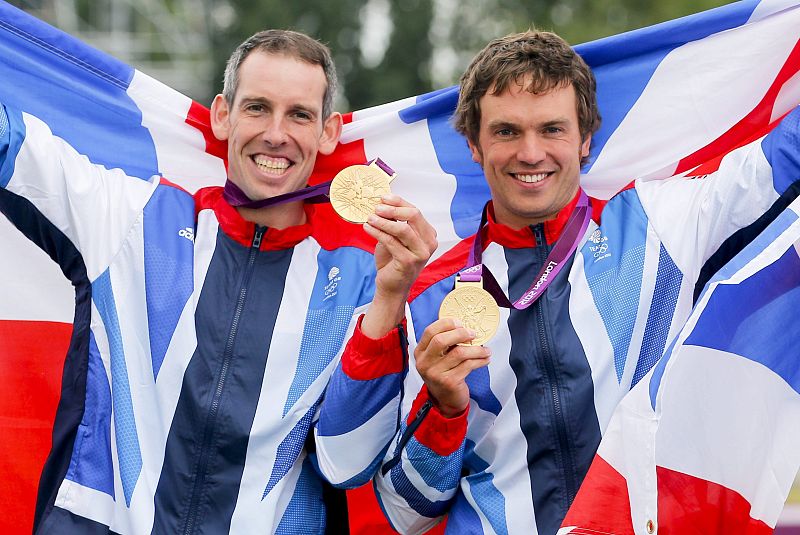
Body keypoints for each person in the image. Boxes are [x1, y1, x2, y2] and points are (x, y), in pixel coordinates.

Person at [0, 30, 435, 533]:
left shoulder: (362, 281)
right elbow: (14, 144)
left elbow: (347, 463)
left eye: (299, 114)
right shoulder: (131, 219)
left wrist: (388, 299)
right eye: (257, 108)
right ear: (222, 116)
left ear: (329, 132)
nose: (276, 133)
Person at [370, 30, 800, 534]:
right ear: (474, 145)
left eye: (552, 129)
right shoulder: (431, 299)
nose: (531, 154)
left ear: (586, 138)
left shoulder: (662, 224)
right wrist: (443, 412)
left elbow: (780, 163)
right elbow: (406, 515)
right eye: (507, 131)